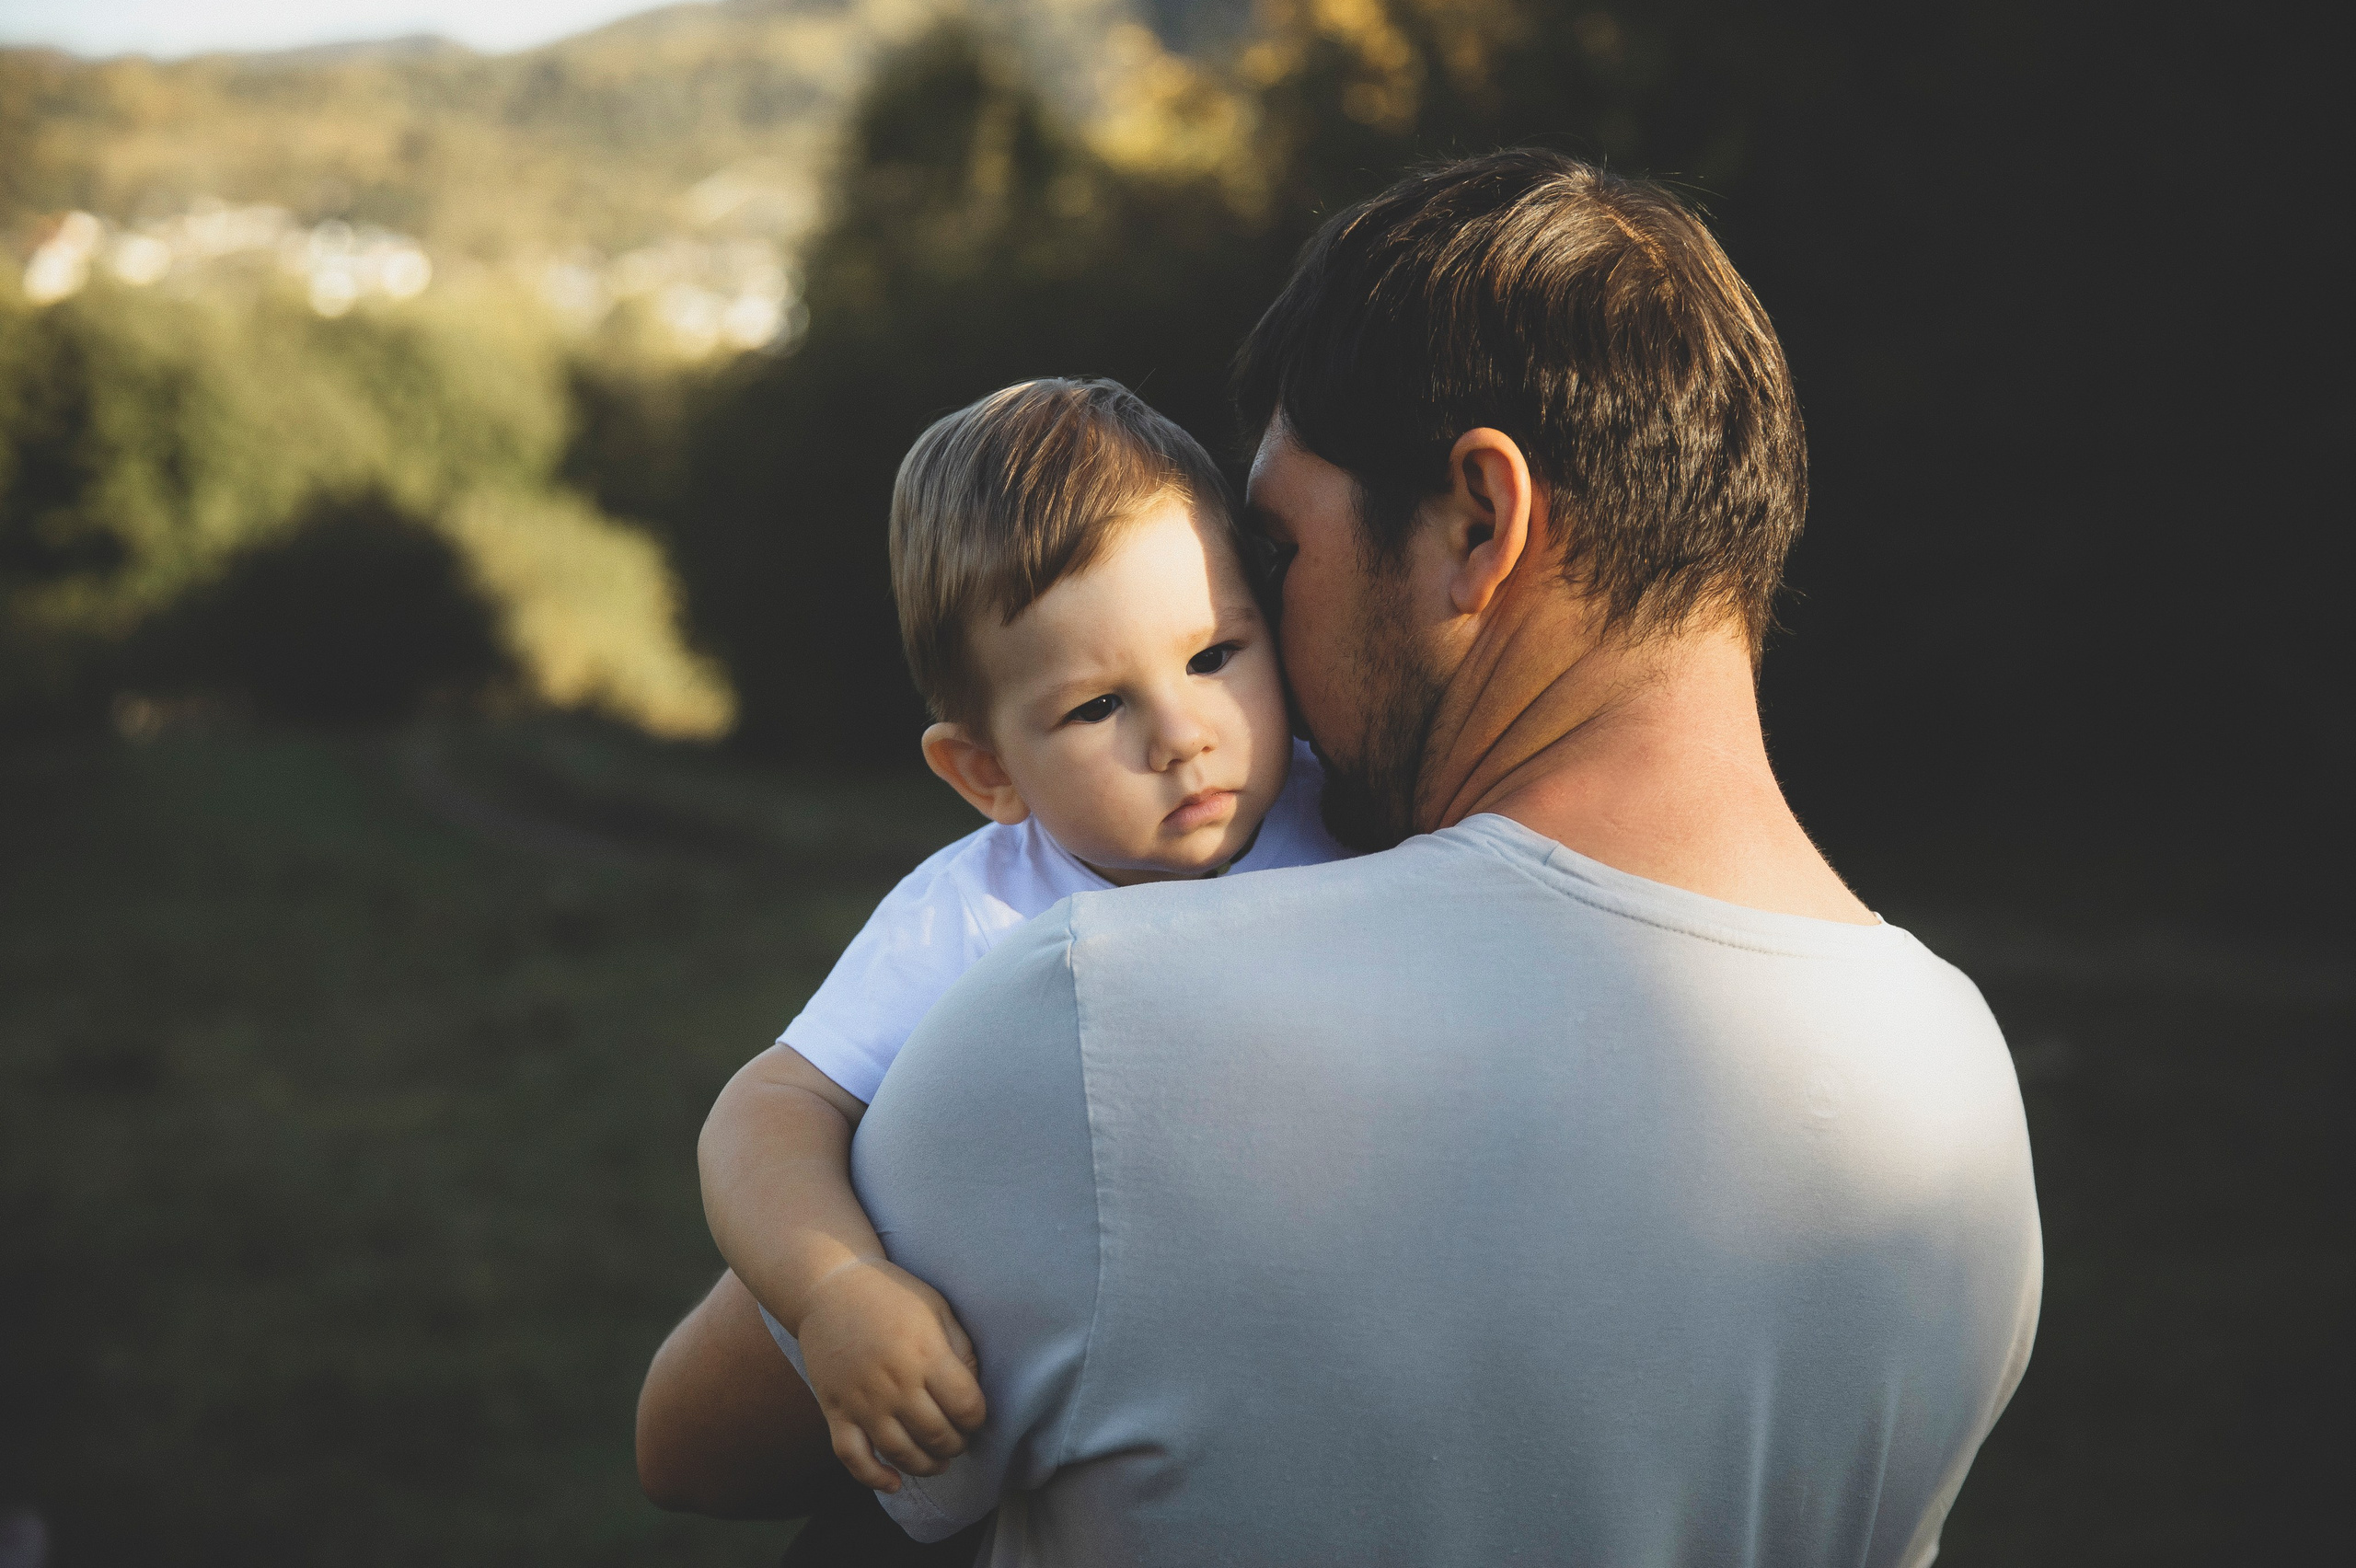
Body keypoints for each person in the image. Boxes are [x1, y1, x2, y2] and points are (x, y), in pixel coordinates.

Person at [639, 149, 2042, 1567]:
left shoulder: (1099, 1015)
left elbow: (690, 1439)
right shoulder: (1963, 1100)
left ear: (1478, 523)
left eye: (1274, 551)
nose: (1201, 719)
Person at [669, 379, 1352, 1540]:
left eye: (1214, 655)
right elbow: (767, 1109)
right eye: (1096, 707)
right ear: (984, 771)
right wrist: (835, 1290)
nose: (1181, 735)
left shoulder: (1352, 811)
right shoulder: (980, 912)